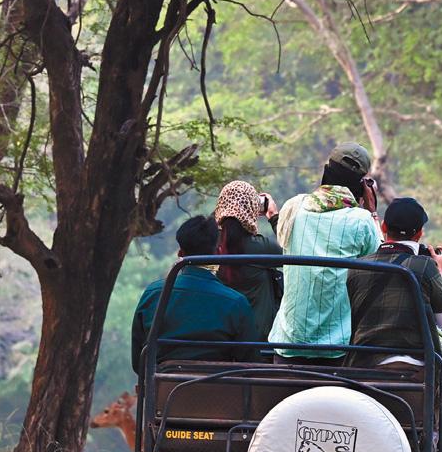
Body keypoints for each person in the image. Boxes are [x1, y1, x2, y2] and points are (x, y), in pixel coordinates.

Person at [269, 142, 381, 363]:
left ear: (326, 172)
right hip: (337, 348)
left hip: (287, 343)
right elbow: (382, 262)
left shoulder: (293, 207)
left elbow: (284, 239)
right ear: (362, 185)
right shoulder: (362, 221)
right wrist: (372, 211)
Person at [131, 215, 258, 373]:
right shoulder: (236, 302)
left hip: (163, 386)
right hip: (219, 387)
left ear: (180, 253)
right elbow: (250, 362)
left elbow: (138, 362)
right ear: (218, 252)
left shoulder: (153, 294)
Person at [345, 196, 442, 368]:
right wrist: (439, 271)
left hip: (362, 365)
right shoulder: (425, 266)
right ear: (419, 233)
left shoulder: (356, 267)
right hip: (413, 367)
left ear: (384, 227)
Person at [213, 180, 283, 356]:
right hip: (259, 343)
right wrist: (273, 216)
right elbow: (293, 249)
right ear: (252, 209)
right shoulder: (262, 247)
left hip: (219, 340)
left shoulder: (209, 244)